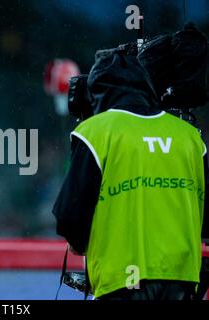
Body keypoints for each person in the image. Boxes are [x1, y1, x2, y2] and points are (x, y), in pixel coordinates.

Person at [52, 49, 209, 300]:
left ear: (98, 92)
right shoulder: (189, 136)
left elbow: (70, 215)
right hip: (182, 279)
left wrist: (78, 242)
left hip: (121, 281)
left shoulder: (94, 132)